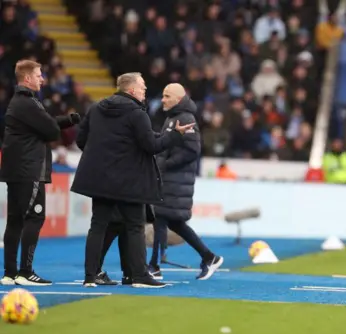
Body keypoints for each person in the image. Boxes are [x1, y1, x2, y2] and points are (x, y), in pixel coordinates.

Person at [71, 72, 194, 288]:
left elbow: (82, 140)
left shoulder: (96, 108)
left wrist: (103, 159)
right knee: (135, 226)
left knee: (98, 226)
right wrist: (175, 136)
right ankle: (139, 275)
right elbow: (151, 146)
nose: (145, 90)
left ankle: (91, 276)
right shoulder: (137, 113)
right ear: (132, 90)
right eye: (143, 86)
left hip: (100, 180)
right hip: (129, 181)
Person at [0, 60, 81, 286]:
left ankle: (9, 273)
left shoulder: (19, 102)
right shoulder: (28, 102)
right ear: (27, 78)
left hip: (17, 170)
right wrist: (59, 126)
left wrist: (67, 120)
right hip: (29, 170)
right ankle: (26, 272)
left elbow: (44, 124)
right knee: (34, 217)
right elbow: (50, 130)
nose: (42, 79)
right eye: (38, 75)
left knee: (15, 220)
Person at [149, 83, 224, 281]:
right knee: (173, 222)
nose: (163, 99)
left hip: (176, 181)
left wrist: (165, 164)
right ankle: (209, 257)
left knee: (161, 218)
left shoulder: (185, 118)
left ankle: (154, 266)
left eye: (166, 96)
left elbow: (192, 151)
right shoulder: (173, 118)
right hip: (172, 181)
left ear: (177, 98)